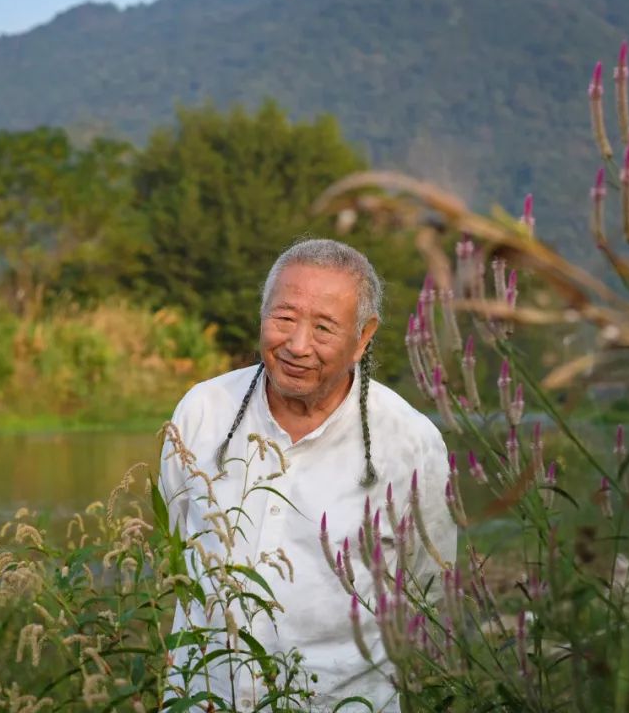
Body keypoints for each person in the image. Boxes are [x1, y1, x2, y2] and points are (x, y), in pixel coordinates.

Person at [159, 238, 456, 711]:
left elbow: (428, 588)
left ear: (363, 338)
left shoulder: (408, 444)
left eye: (323, 327)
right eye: (283, 319)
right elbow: (177, 548)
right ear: (262, 315)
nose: (297, 345)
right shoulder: (202, 412)